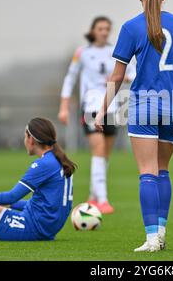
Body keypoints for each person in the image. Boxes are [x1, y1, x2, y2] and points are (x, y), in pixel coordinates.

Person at [95, 0, 173, 252]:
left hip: (143, 105)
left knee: (147, 173)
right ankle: (160, 234)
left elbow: (117, 76)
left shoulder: (131, 28)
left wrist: (102, 109)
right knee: (163, 171)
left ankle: (152, 239)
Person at [58, 16, 135, 214]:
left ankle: (93, 195)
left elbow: (133, 72)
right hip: (91, 107)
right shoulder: (82, 53)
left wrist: (125, 78)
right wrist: (64, 107)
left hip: (112, 107)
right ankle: (102, 199)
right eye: (100, 28)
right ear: (93, 30)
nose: (104, 32)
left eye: (107, 28)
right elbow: (70, 78)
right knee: (98, 149)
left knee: (105, 154)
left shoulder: (115, 52)